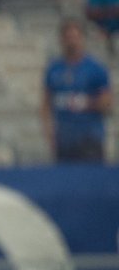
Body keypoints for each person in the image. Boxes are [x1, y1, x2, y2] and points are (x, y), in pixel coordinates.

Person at [41, 18, 112, 164]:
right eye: (67, 37)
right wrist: (49, 132)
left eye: (75, 37)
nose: (71, 42)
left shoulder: (95, 69)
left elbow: (106, 103)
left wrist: (85, 103)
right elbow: (46, 102)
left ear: (82, 39)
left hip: (89, 136)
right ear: (61, 40)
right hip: (64, 137)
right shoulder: (54, 69)